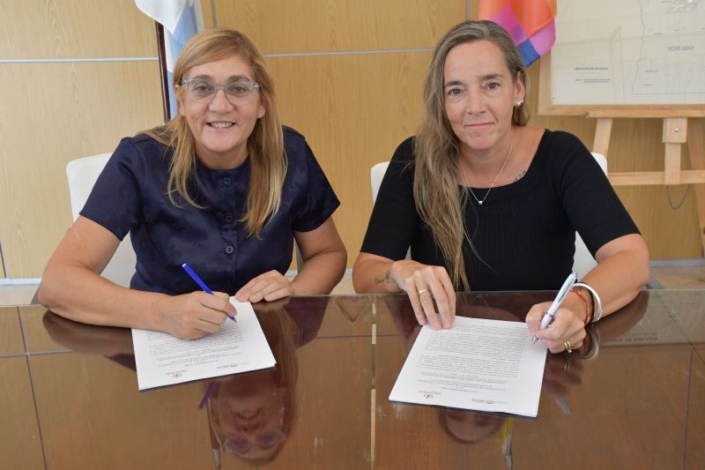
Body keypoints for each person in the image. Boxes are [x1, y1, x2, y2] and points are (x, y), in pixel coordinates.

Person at [353, 20, 650, 354]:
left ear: (518, 88)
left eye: (491, 85)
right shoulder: (414, 160)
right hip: (444, 355)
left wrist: (578, 304)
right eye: (456, 91)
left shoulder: (561, 156)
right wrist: (397, 271)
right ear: (442, 101)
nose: (475, 106)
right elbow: (365, 275)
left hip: (541, 350)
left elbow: (631, 258)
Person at [38, 28, 347, 340]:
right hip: (161, 338)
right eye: (202, 88)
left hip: (262, 336)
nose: (220, 105)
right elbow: (57, 283)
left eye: (239, 88)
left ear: (262, 102)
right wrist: (163, 312)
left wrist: (293, 292)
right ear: (181, 100)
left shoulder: (290, 152)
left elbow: (327, 253)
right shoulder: (139, 159)